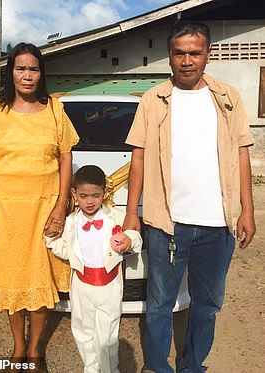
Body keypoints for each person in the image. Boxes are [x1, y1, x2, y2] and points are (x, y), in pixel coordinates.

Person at [123, 20, 256, 373]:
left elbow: (242, 152)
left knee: (207, 304)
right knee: (159, 304)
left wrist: (248, 210)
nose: (186, 61)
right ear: (169, 55)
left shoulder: (228, 98)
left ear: (208, 55)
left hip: (217, 225)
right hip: (168, 224)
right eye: (179, 53)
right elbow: (138, 157)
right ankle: (157, 366)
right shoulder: (153, 100)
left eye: (194, 53)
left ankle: (192, 365)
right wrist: (131, 214)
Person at [0, 42, 79, 371]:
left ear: (41, 73)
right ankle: (18, 348)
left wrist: (61, 206)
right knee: (14, 281)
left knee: (40, 281)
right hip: (5, 212)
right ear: (11, 72)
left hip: (44, 211)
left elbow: (65, 157)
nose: (26, 75)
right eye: (20, 68)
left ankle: (35, 350)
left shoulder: (55, 110)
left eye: (33, 69)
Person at [45, 165, 142, 373]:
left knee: (107, 334)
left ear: (105, 193)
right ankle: (90, 368)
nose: (90, 201)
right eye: (84, 196)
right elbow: (66, 251)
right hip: (81, 284)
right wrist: (51, 239)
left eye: (96, 196)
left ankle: (109, 369)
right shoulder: (70, 222)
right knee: (82, 329)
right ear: (74, 194)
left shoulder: (116, 216)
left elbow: (136, 237)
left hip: (109, 285)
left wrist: (128, 241)